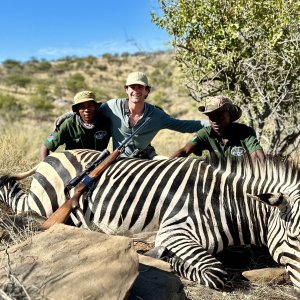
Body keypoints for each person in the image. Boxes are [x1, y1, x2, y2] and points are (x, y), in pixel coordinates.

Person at [55, 71, 209, 159]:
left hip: (147, 157)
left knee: (169, 168)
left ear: (147, 91)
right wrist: (69, 114)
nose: (136, 91)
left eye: (140, 87)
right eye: (132, 87)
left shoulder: (156, 115)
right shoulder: (112, 106)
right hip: (119, 160)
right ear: (126, 90)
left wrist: (210, 123)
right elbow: (89, 109)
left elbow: (182, 125)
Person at [170, 96, 265, 161]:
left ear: (230, 116)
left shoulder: (245, 132)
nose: (215, 121)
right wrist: (164, 166)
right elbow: (184, 151)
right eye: (211, 117)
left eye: (220, 117)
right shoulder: (205, 133)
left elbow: (257, 156)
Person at [39, 90, 111, 161]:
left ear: (96, 107)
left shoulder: (106, 122)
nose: (86, 110)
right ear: (77, 110)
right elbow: (46, 144)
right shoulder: (67, 124)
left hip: (99, 163)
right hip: (73, 165)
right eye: (82, 107)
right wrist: (44, 167)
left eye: (90, 105)